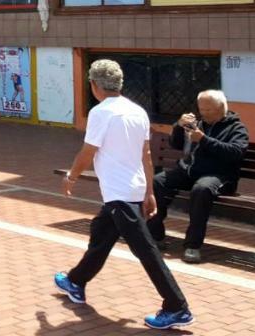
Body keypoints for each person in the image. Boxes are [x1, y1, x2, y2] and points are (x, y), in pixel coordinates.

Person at [54, 59, 193, 331]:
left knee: (147, 251)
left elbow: (88, 151)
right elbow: (147, 156)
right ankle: (76, 281)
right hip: (130, 190)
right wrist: (149, 191)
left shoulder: (101, 113)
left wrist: (71, 176)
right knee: (101, 233)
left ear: (94, 85)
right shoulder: (137, 111)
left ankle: (177, 306)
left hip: (119, 193)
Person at [147, 90, 249, 264]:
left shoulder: (236, 128)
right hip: (189, 171)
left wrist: (204, 140)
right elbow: (177, 144)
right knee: (158, 182)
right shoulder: (199, 124)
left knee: (201, 190)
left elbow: (236, 153)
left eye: (209, 110)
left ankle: (192, 246)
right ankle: (155, 236)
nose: (204, 113)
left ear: (222, 108)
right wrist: (179, 126)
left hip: (219, 175)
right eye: (202, 109)